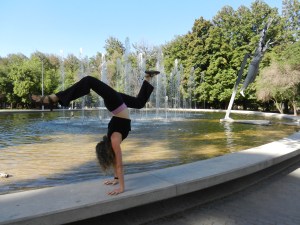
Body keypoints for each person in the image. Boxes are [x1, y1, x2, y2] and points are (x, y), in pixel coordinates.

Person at [30, 70, 160, 195]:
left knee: (89, 81)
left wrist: (120, 184)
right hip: (116, 103)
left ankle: (54, 98)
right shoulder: (113, 141)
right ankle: (148, 77)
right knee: (137, 102)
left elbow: (118, 164)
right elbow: (118, 164)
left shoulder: (114, 141)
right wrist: (119, 185)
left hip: (116, 103)